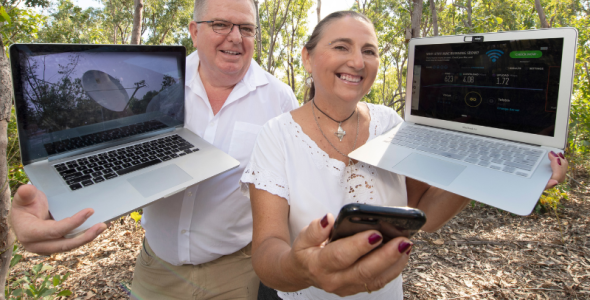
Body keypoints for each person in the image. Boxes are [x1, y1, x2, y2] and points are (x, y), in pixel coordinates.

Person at [239, 11, 568, 300]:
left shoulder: (391, 125)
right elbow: (267, 250)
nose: (357, 61)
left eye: (369, 51)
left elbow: (426, 211)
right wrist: (304, 269)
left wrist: (495, 169)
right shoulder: (277, 134)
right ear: (307, 58)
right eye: (341, 46)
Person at [9, 0, 299, 299]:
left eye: (246, 28)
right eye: (221, 24)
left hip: (236, 273)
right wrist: (46, 204)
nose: (236, 37)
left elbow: (290, 186)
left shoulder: (279, 99)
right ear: (194, 31)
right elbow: (112, 155)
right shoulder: (162, 84)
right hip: (156, 269)